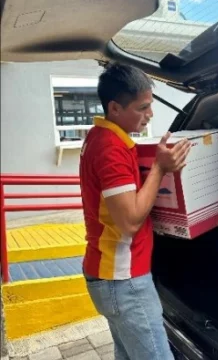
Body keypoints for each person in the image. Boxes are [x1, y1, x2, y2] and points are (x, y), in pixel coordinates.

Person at [79, 63, 191, 360]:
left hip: (110, 276)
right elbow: (129, 221)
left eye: (150, 106)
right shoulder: (110, 148)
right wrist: (159, 167)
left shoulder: (100, 136)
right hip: (123, 281)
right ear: (115, 108)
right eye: (143, 108)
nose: (150, 114)